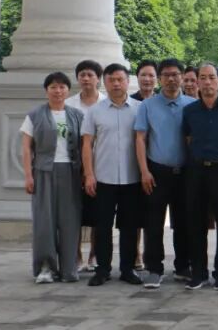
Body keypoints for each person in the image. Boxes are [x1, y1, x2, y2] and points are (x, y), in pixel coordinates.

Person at [134, 58, 195, 289]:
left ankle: (183, 266)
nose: (171, 79)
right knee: (153, 222)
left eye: (175, 74)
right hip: (157, 171)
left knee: (184, 221)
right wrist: (144, 171)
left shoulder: (192, 105)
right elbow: (140, 138)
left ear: (182, 77)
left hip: (185, 173)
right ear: (160, 78)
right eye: (166, 75)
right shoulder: (147, 106)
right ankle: (154, 268)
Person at [81, 63, 143, 286]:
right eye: (111, 80)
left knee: (129, 227)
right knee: (102, 226)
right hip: (103, 178)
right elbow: (87, 144)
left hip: (132, 178)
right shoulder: (95, 111)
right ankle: (103, 269)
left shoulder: (139, 109)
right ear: (104, 82)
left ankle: (127, 269)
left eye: (120, 79)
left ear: (128, 81)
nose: (116, 84)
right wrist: (89, 174)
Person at [182, 62, 218, 291]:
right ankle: (198, 273)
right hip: (196, 171)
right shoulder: (189, 110)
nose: (207, 82)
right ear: (197, 81)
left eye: (211, 77)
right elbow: (188, 139)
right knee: (195, 222)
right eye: (203, 77)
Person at [22, 71, 84, 284]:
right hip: (43, 171)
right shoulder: (35, 115)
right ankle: (46, 267)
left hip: (71, 172)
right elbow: (26, 148)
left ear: (68, 90)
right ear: (46, 90)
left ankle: (69, 268)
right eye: (53, 87)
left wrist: (86, 173)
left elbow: (85, 146)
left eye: (62, 87)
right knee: (44, 220)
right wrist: (28, 175)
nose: (58, 91)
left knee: (70, 220)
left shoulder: (77, 115)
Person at [66, 59, 104, 273]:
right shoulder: (69, 104)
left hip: (101, 165)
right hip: (73, 166)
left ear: (98, 78)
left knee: (98, 213)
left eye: (90, 75)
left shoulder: (105, 102)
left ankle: (94, 255)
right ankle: (77, 255)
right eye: (82, 75)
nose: (86, 79)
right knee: (75, 213)